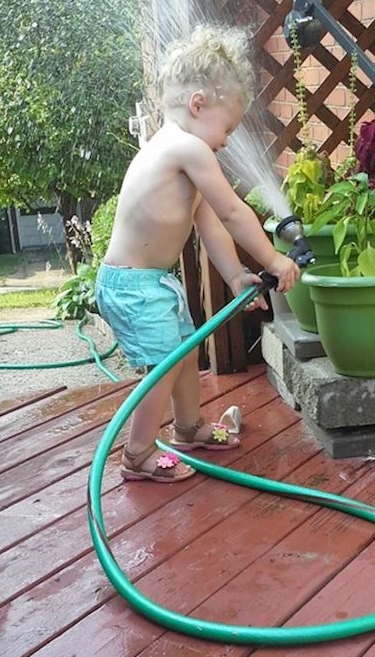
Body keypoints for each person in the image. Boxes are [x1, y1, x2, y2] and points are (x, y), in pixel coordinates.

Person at [96, 24, 300, 483]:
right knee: (165, 365)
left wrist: (234, 276)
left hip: (148, 283)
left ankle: (188, 427)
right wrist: (272, 260)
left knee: (184, 355)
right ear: (198, 104)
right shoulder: (185, 148)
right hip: (131, 285)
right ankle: (138, 454)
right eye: (227, 127)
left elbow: (210, 224)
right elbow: (233, 211)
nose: (227, 140)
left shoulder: (184, 153)